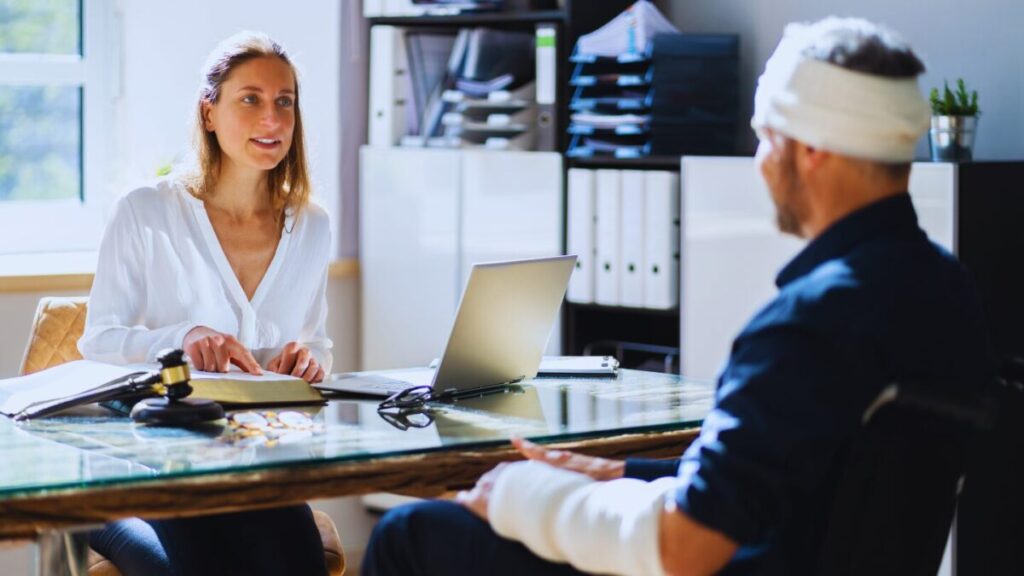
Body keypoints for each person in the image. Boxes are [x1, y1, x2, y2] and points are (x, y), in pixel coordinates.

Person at [361, 17, 995, 576]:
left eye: (766, 136)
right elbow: (780, 479)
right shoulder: (949, 294)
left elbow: (684, 549)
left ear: (811, 149)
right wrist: (619, 473)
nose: (759, 161)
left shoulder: (810, 322)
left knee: (412, 535)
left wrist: (522, 497)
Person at [79, 31, 331, 576]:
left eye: (284, 101)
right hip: (151, 454)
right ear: (209, 112)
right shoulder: (145, 211)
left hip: (256, 451)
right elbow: (98, 341)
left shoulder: (311, 224)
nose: (272, 118)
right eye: (251, 99)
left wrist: (309, 361)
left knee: (297, 559)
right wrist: (182, 338)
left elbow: (316, 342)